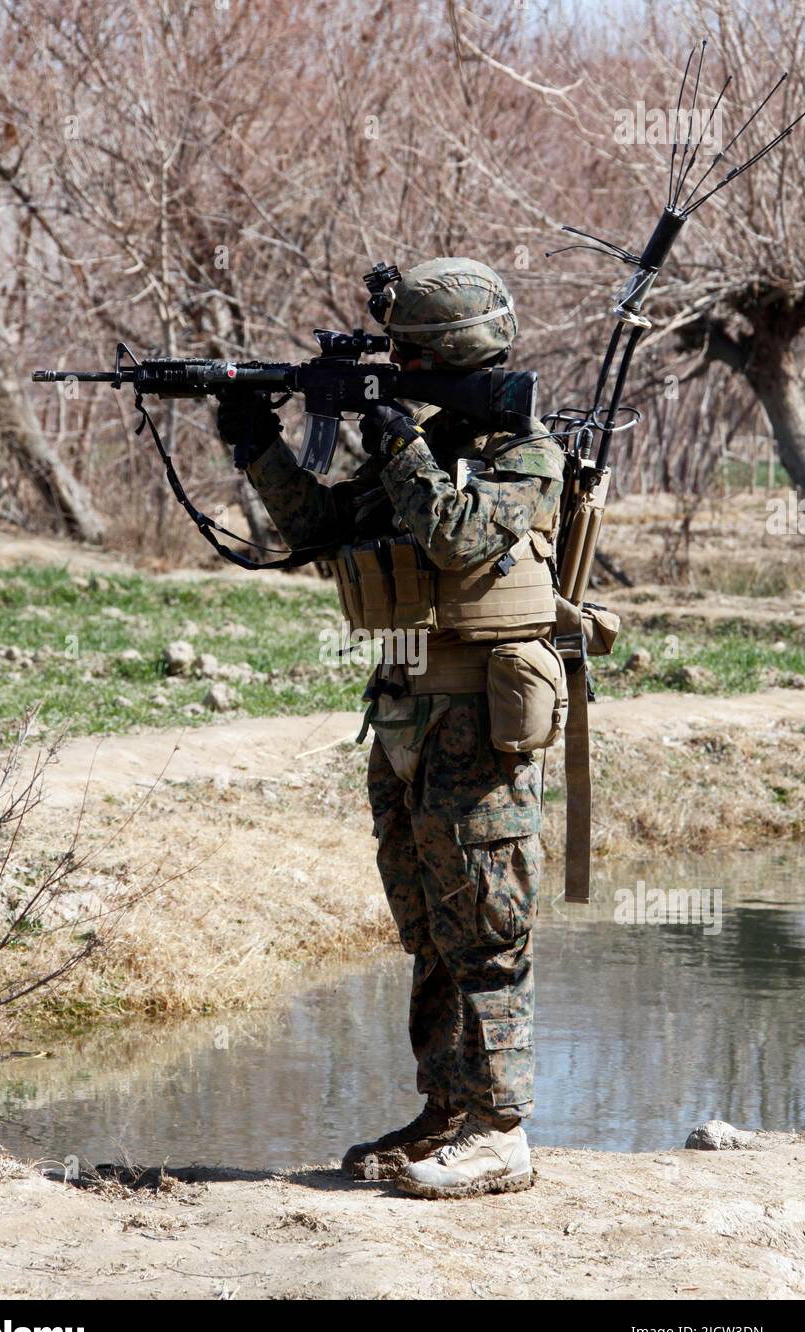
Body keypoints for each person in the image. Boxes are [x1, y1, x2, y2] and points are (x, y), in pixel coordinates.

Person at [216, 258, 564, 1198]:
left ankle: (501, 1131)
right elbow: (320, 530)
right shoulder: (429, 441)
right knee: (430, 927)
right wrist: (256, 443)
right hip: (407, 715)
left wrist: (397, 435)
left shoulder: (524, 452)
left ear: (444, 356)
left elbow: (457, 536)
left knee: (487, 926)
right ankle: (446, 1110)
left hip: (479, 717)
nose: (397, 370)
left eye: (407, 357)